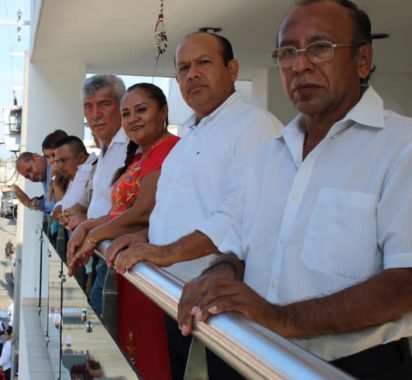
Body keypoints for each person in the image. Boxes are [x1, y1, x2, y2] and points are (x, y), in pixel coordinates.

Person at [177, 1, 412, 378]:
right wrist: (219, 276)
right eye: (287, 52)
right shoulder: (269, 155)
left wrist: (281, 318)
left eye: (320, 47)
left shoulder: (406, 146)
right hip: (252, 355)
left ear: (363, 59)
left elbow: (409, 286)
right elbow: (241, 249)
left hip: (352, 366)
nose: (300, 65)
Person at [106, 31, 283, 378]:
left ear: (232, 69)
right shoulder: (190, 136)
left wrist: (166, 251)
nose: (192, 74)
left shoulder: (254, 125)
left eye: (204, 63)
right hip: (176, 298)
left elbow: (239, 216)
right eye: (184, 67)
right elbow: (175, 208)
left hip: (224, 310)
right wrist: (146, 237)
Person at [68, 83, 180, 379]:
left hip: (147, 268)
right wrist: (88, 226)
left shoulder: (167, 149)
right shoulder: (140, 156)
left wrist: (92, 236)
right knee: (125, 351)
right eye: (127, 113)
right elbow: (118, 212)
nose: (133, 119)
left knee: (144, 355)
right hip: (124, 266)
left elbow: (142, 212)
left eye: (141, 110)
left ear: (164, 112)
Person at [66, 75, 128, 317]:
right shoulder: (105, 148)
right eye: (88, 106)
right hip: (100, 254)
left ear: (121, 106)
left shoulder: (129, 146)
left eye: (105, 104)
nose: (95, 114)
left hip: (117, 257)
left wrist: (88, 229)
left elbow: (134, 209)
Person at [13, 130, 69, 214]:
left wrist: (29, 203)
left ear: (36, 156)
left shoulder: (53, 167)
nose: (31, 176)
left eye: (30, 169)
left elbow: (52, 206)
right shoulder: (45, 174)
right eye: (27, 177)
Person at [51, 136, 96, 221]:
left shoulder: (91, 170)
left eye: (63, 160)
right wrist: (59, 206)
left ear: (81, 157)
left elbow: (72, 206)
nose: (59, 166)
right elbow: (66, 202)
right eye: (57, 161)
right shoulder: (75, 171)